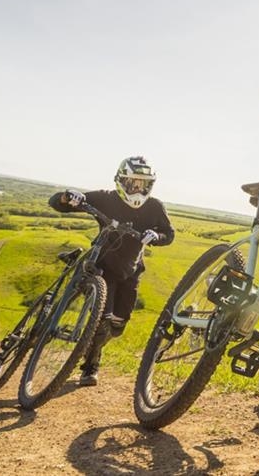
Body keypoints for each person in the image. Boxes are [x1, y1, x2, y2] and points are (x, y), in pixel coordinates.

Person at [49, 156, 175, 386]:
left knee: (118, 325)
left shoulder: (155, 206)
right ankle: (90, 367)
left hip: (131, 271)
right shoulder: (106, 198)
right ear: (121, 180)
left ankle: (92, 347)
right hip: (101, 267)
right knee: (101, 321)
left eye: (144, 184)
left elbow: (169, 234)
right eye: (133, 182)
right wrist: (67, 196)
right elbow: (59, 204)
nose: (138, 188)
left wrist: (157, 236)